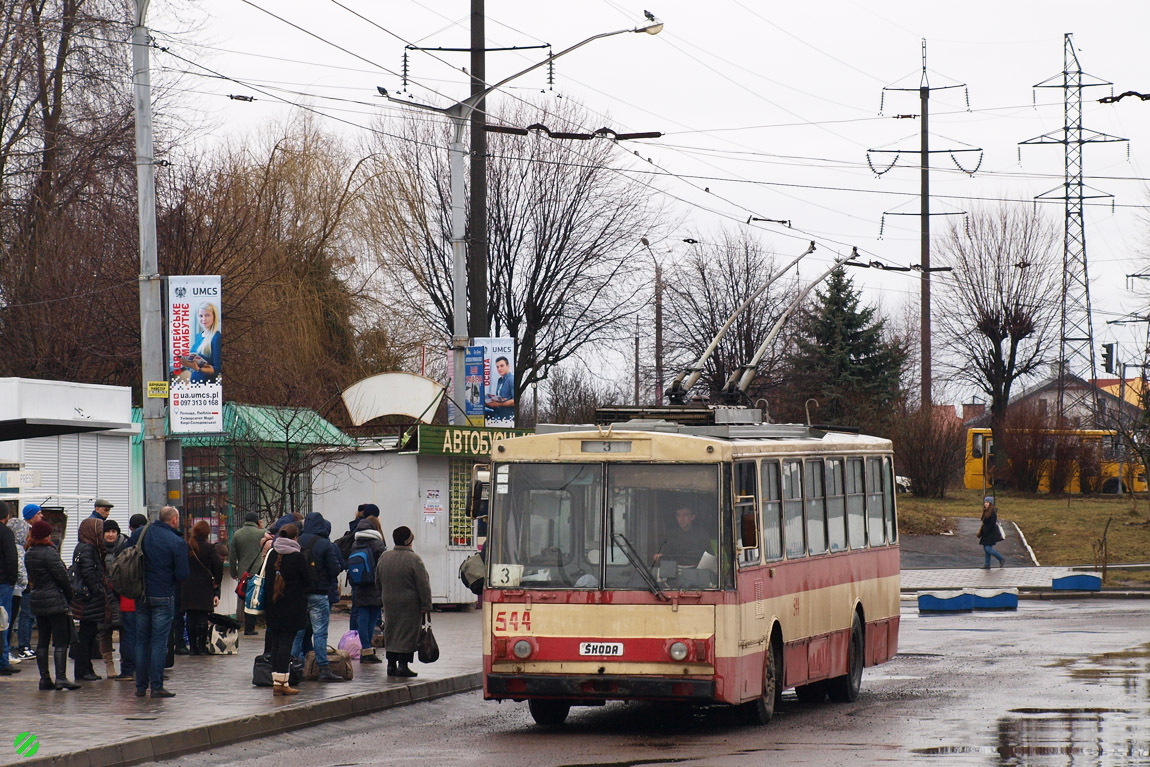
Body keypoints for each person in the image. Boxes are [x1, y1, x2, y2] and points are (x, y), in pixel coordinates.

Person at [130, 505, 189, 698]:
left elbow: (127, 556)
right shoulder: (176, 541)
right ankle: (156, 686)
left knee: (141, 641)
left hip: (140, 593)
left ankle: (140, 687)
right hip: (163, 594)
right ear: (173, 520)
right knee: (158, 642)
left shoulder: (140, 533)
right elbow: (182, 574)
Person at [24, 519, 79, 690]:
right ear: (47, 535)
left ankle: (45, 678)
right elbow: (62, 577)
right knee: (60, 641)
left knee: (42, 640)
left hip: (38, 600)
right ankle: (61, 677)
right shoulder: (49, 552)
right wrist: (70, 596)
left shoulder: (29, 553)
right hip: (55, 600)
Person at [292, 512, 345, 682]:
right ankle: (323, 669)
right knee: (320, 633)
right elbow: (335, 569)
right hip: (319, 595)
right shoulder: (324, 544)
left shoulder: (297, 541)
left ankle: (293, 667)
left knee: (298, 633)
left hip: (299, 595)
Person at [375, 526, 432, 678]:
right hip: (409, 604)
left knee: (391, 630)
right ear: (409, 541)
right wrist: (426, 605)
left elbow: (377, 580)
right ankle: (403, 665)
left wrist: (385, 594)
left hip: (389, 601)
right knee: (407, 633)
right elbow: (423, 584)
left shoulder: (385, 557)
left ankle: (390, 664)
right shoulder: (414, 559)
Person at [264, 524, 312, 695]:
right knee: (286, 643)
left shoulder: (271, 554)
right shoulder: (297, 557)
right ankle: (282, 682)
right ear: (295, 539)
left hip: (273, 605)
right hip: (292, 607)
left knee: (276, 643)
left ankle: (278, 681)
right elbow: (307, 581)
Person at [112, 513, 148, 681]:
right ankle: (146, 669)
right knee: (146, 634)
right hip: (146, 597)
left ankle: (128, 670)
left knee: (128, 635)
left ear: (130, 528)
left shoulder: (124, 547)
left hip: (127, 597)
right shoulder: (150, 545)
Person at [72, 517, 108, 681]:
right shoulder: (88, 548)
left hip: (88, 598)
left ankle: (86, 667)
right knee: (87, 633)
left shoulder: (86, 547)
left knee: (89, 633)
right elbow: (88, 571)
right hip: (89, 599)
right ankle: (83, 669)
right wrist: (98, 590)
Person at [348, 517, 387, 663]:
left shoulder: (355, 544)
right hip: (375, 585)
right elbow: (383, 565)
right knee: (373, 618)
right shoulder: (377, 543)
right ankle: (367, 651)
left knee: (363, 617)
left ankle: (365, 649)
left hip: (359, 585)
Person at [182, 521, 222, 655]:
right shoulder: (210, 548)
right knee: (203, 617)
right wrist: (217, 580)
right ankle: (201, 646)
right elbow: (218, 564)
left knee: (191, 616)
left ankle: (192, 647)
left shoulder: (187, 547)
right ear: (207, 533)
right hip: (204, 586)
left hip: (187, 585)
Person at [7, 503, 39, 661]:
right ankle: (17, 649)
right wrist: (24, 584)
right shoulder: (18, 548)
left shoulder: (12, 546)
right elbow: (20, 569)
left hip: (14, 588)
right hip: (17, 589)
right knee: (14, 618)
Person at [98, 519, 127, 678]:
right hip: (104, 596)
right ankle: (109, 664)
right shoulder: (97, 549)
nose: (110, 535)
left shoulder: (125, 547)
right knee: (105, 630)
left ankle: (125, 662)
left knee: (125, 630)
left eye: (113, 532)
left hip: (121, 594)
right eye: (107, 532)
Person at [228, 511, 265, 635]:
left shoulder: (237, 534)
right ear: (257, 521)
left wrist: (234, 572)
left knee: (245, 598)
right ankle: (252, 626)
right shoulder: (262, 533)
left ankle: (246, 626)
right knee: (256, 597)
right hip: (259, 571)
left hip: (244, 573)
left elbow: (232, 557)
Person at [0, 501, 19, 676]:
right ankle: (2, 661)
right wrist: (13, 579)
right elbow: (12, 558)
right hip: (3, 583)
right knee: (3, 622)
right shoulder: (6, 533)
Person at [184, 301, 221, 384]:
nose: (203, 319)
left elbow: (217, 369)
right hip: (194, 382)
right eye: (201, 316)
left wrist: (199, 369)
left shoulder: (216, 337)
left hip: (207, 384)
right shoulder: (198, 336)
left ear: (214, 317)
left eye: (207, 315)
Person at [977, 496, 1006, 569]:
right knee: (986, 548)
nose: (986, 504)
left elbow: (992, 524)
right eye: (985, 502)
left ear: (991, 503)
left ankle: (1001, 559)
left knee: (988, 548)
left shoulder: (992, 512)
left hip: (991, 533)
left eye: (987, 502)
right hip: (986, 532)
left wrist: (986, 530)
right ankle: (987, 564)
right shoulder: (986, 511)